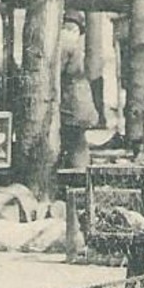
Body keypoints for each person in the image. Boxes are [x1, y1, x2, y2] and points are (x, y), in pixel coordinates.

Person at [59, 11, 98, 171]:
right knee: (78, 141)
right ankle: (81, 175)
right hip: (80, 101)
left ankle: (78, 177)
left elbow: (56, 72)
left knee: (74, 141)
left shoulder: (65, 40)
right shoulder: (75, 43)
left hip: (71, 102)